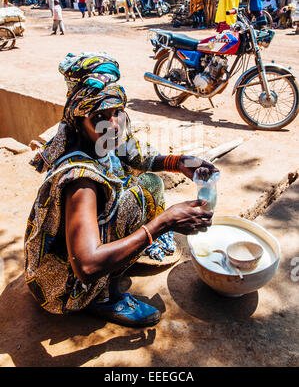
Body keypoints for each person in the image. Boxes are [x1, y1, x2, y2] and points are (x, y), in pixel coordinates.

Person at [24, 57, 217, 327]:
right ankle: (105, 298)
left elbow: (140, 157)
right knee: (134, 199)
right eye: (100, 117)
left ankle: (120, 255)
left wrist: (181, 162)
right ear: (80, 121)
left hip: (79, 253)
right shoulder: (81, 181)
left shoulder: (103, 135)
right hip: (66, 286)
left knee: (149, 184)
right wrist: (164, 223)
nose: (113, 124)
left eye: (117, 113)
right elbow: (87, 266)